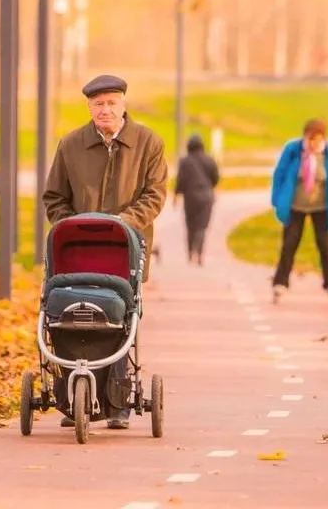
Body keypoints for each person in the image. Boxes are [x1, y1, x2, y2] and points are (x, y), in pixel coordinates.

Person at [42, 74, 168, 429]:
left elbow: (155, 194)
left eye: (112, 103)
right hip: (77, 253)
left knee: (120, 317)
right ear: (89, 107)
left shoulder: (148, 143)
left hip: (126, 250)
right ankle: (73, 399)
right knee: (73, 315)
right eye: (98, 104)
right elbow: (54, 197)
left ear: (123, 104)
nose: (105, 110)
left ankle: (118, 401)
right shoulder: (71, 145)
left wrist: (123, 224)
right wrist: (74, 226)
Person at [269, 118, 328, 305]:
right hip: (295, 205)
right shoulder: (293, 150)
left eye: (317, 139)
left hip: (322, 206)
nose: (312, 144)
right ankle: (280, 282)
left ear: (323, 138)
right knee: (289, 243)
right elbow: (279, 174)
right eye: (309, 139)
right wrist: (276, 199)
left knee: (326, 245)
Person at [173, 134, 220, 265]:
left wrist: (176, 195)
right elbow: (216, 177)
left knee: (190, 226)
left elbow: (180, 180)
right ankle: (199, 253)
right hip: (206, 197)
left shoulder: (185, 161)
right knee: (202, 226)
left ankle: (190, 252)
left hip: (190, 197)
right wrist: (210, 187)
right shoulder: (210, 160)